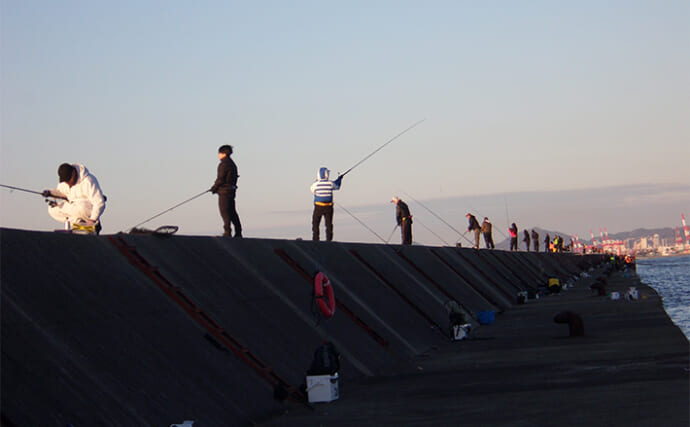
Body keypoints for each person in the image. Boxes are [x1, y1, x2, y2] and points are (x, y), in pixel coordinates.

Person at [42, 163, 106, 234]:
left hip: (86, 209)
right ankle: (79, 224)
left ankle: (91, 226)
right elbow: (61, 193)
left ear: (73, 173)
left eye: (69, 180)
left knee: (80, 207)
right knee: (52, 209)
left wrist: (93, 219)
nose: (68, 183)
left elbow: (99, 202)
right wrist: (50, 192)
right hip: (72, 207)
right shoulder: (64, 183)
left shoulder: (88, 181)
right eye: (65, 181)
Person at [210, 145, 242, 238]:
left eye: (219, 153)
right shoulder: (233, 164)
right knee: (232, 212)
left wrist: (214, 188)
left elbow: (220, 179)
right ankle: (238, 231)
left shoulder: (223, 164)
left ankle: (227, 231)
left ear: (222, 153)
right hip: (232, 191)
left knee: (224, 211)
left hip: (224, 191)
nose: (218, 155)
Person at [310, 167, 343, 241]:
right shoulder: (330, 183)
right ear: (326, 174)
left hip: (318, 207)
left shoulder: (315, 184)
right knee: (328, 224)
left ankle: (315, 239)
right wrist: (339, 179)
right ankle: (329, 239)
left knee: (315, 223)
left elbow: (312, 190)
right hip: (329, 207)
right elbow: (337, 186)